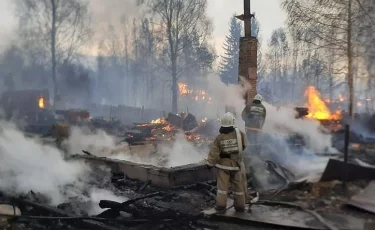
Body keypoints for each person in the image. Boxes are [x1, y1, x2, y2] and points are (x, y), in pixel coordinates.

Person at [206, 112, 247, 212]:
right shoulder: (240, 134)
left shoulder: (219, 137)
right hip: (236, 164)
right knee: (238, 187)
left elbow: (214, 153)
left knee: (222, 188)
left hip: (223, 166)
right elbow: (244, 146)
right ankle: (240, 206)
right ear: (233, 122)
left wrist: (210, 164)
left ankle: (221, 206)